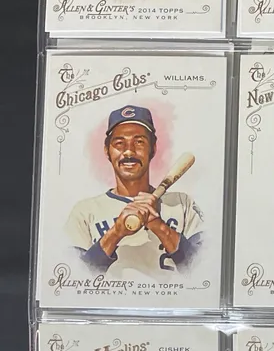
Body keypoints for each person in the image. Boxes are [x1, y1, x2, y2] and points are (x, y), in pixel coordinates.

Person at [64, 105, 203, 280]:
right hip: (111, 298)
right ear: (107, 151)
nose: (129, 151)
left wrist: (159, 226)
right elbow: (74, 279)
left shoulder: (182, 204)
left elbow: (204, 270)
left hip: (170, 297)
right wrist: (116, 232)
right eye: (119, 143)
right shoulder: (84, 211)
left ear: (153, 149)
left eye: (139, 142)